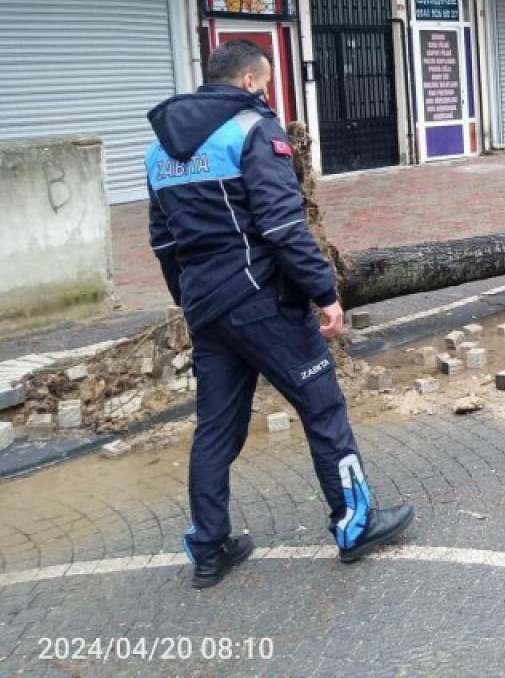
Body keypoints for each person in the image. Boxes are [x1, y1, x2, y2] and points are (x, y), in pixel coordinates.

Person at [145, 39, 414, 589]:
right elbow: (282, 227)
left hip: (207, 307)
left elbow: (163, 242)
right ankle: (355, 524)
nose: (266, 95)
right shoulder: (252, 130)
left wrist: (190, 300)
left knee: (216, 427)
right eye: (264, 86)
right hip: (263, 303)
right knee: (324, 410)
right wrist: (324, 292)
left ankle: (210, 545)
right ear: (248, 82)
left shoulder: (158, 152)